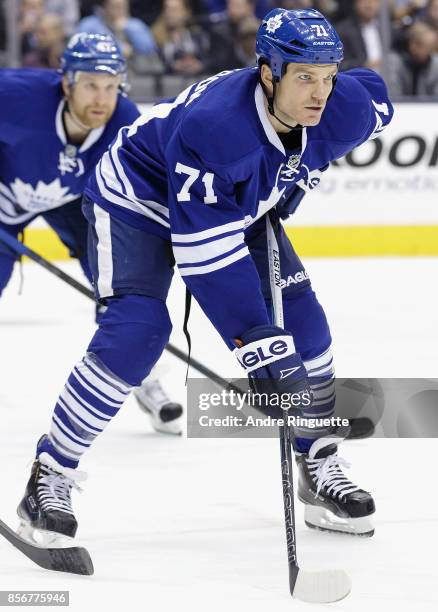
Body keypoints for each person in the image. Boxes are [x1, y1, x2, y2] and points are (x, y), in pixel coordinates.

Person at [17, 8, 393, 546]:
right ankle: (50, 473)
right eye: (304, 77)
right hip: (138, 202)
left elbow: (375, 93)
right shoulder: (216, 128)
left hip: (232, 206)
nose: (320, 93)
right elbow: (205, 253)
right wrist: (257, 344)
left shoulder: (344, 108)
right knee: (139, 330)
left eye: (328, 76)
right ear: (268, 73)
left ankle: (319, 456)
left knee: (309, 334)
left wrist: (281, 184)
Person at [0, 32, 183, 438]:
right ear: (66, 83)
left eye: (111, 86)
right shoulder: (15, 95)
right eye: (89, 86)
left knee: (121, 287)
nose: (101, 98)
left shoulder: (126, 125)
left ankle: (138, 370)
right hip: (6, 194)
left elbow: (143, 197)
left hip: (78, 203)